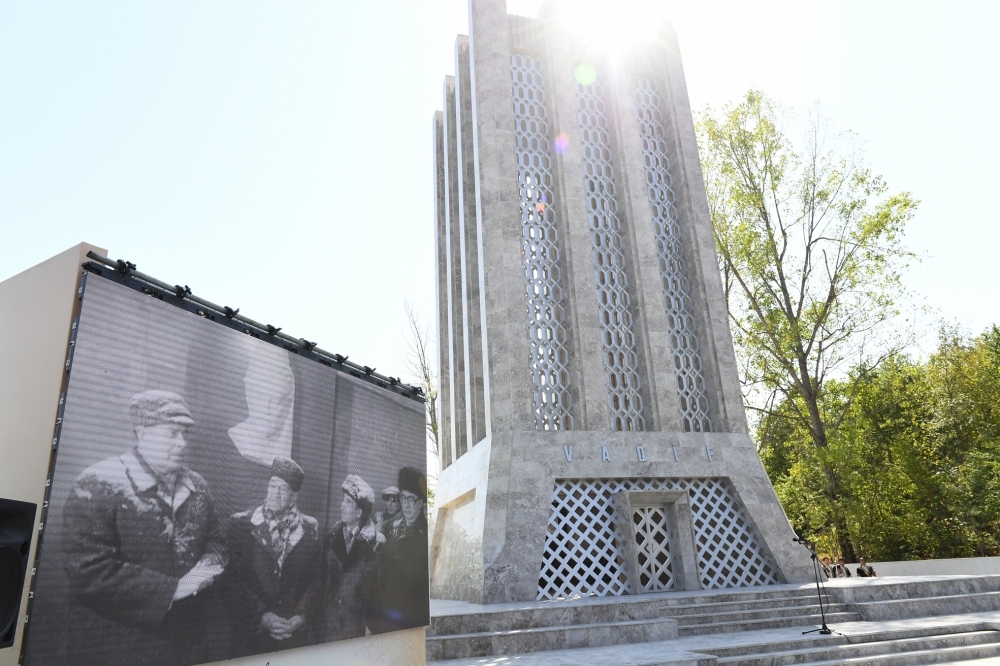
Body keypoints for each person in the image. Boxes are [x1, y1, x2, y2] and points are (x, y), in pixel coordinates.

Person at [62, 390, 226, 666]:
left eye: (185, 434)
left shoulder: (197, 485)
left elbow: (217, 542)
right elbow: (87, 570)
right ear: (141, 433)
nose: (182, 443)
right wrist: (172, 590)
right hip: (122, 646)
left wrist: (201, 575)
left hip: (188, 644)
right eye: (172, 433)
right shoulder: (100, 482)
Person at [226, 457, 323, 655]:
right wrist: (262, 616)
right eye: (272, 486)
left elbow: (317, 580)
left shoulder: (310, 529)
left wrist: (301, 617)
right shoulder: (241, 524)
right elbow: (231, 582)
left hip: (291, 641)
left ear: (294, 496)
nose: (275, 494)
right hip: (251, 640)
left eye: (283, 489)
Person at [321, 474, 382, 641]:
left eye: (348, 502)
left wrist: (370, 627)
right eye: (343, 500)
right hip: (327, 627)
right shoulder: (331, 539)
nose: (341, 506)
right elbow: (321, 582)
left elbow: (376, 594)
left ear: (359, 512)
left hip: (355, 631)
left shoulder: (375, 547)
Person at [376, 466, 430, 633]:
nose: (406, 505)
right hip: (388, 614)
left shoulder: (427, 534)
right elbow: (380, 573)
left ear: (420, 503)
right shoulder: (389, 528)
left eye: (411, 500)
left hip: (412, 617)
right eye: (403, 499)